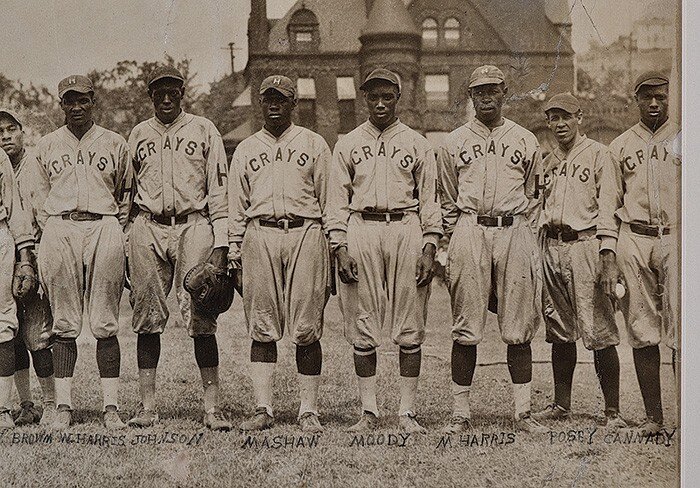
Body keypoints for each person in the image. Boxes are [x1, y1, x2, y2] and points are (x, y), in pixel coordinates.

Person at [328, 68, 442, 433]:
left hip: (406, 226)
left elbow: (430, 200)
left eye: (387, 96)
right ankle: (369, 411)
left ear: (398, 98)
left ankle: (407, 412)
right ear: (364, 99)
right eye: (373, 97)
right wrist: (340, 245)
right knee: (362, 321)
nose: (380, 103)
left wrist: (430, 245)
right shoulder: (347, 143)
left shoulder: (417, 142)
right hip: (361, 227)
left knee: (410, 322)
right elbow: (336, 200)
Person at [437, 65, 547, 434]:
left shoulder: (525, 139)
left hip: (513, 227)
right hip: (470, 227)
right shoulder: (453, 141)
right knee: (466, 325)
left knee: (518, 326)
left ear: (504, 93)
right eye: (478, 91)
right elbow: (448, 197)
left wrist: (522, 231)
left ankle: (523, 412)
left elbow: (534, 194)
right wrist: (455, 237)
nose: (486, 97)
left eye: (492, 90)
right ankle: (459, 412)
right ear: (470, 96)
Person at [127, 66, 231, 431]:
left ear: (182, 93)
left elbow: (219, 191)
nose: (167, 98)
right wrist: (129, 240)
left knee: (202, 317)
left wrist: (221, 245)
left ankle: (212, 409)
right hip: (148, 226)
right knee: (146, 319)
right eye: (159, 93)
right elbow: (128, 194)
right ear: (151, 96)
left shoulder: (203, 129)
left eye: (173, 91)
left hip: (193, 224)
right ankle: (147, 407)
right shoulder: (139, 134)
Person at [229, 75, 331, 433]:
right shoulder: (245, 149)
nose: (273, 105)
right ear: (260, 103)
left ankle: (308, 409)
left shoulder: (314, 143)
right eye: (268, 99)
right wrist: (233, 251)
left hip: (305, 231)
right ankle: (263, 408)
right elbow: (236, 206)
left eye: (281, 99)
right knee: (262, 325)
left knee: (306, 326)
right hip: (259, 234)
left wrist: (333, 246)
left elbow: (328, 201)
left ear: (294, 104)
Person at [33, 75, 133, 429]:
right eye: (69, 101)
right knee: (64, 321)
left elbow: (126, 194)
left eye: (83, 100)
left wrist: (116, 228)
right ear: (61, 104)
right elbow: (37, 198)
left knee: (106, 321)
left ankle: (111, 407)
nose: (76, 107)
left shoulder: (115, 142)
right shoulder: (45, 145)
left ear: (94, 101)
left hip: (104, 223)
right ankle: (63, 406)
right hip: (60, 225)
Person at [530, 94, 626, 430]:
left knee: (599, 329)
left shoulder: (600, 154)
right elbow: (536, 204)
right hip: (552, 245)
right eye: (553, 119)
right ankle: (562, 405)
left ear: (580, 117)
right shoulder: (546, 159)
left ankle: (612, 411)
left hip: (585, 244)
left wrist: (607, 256)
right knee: (559, 330)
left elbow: (608, 210)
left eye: (566, 117)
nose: (559, 125)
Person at [597, 71, 680, 436]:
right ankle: (653, 418)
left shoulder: (684, 137)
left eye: (660, 97)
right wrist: (608, 255)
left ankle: (688, 417)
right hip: (633, 236)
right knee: (642, 329)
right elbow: (608, 205)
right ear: (636, 100)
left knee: (684, 328)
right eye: (646, 97)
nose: (653, 104)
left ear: (669, 98)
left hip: (678, 237)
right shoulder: (620, 146)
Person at [0, 109, 55, 426]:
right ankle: (26, 403)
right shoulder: (2, 165)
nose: (6, 136)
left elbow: (44, 217)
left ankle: (50, 402)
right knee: (14, 334)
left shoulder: (34, 165)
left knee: (37, 334)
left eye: (11, 129)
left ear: (22, 132)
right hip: (9, 251)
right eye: (0, 131)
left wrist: (36, 259)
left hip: (32, 252)